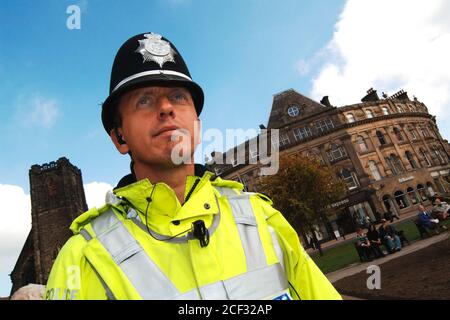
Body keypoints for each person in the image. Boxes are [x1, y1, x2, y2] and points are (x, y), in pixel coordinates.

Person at [44, 32, 341, 300]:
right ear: (120, 137)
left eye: (177, 96)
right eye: (144, 100)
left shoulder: (262, 218)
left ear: (197, 127)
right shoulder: (82, 258)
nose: (166, 108)